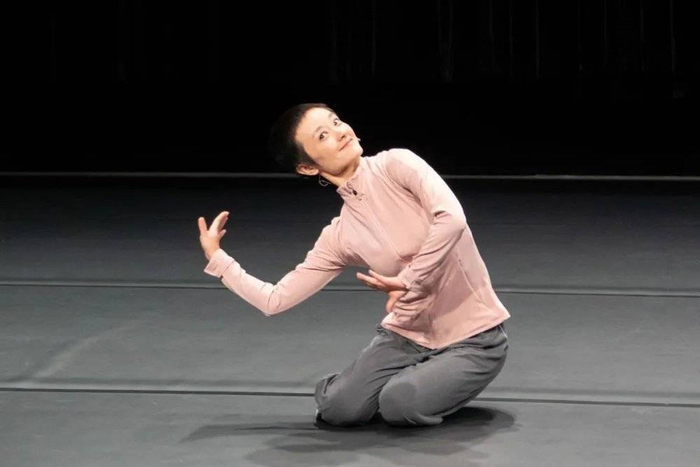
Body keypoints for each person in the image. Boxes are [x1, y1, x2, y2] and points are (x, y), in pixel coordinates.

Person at [197, 103, 510, 427]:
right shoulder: (340, 234)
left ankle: (415, 383)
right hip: (406, 337)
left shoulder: (397, 164)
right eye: (323, 135)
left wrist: (408, 278)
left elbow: (452, 219)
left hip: (474, 338)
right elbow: (275, 300)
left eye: (336, 122)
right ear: (307, 167)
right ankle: (361, 384)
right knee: (339, 409)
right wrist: (218, 259)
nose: (340, 132)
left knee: (399, 403)